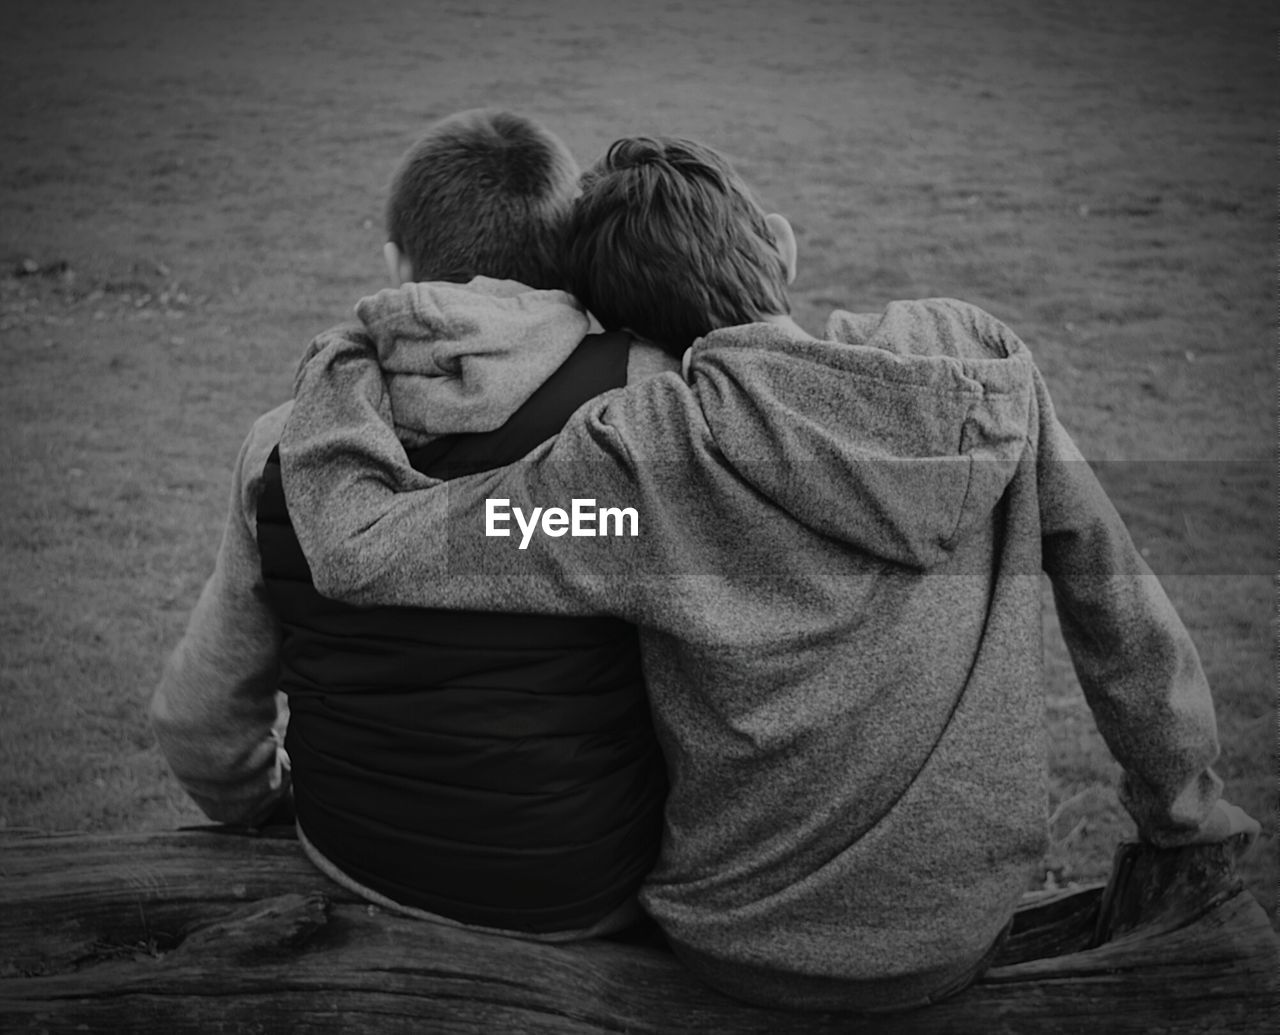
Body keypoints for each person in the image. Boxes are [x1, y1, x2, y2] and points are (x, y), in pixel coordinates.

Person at [278, 136, 1260, 1012]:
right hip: (965, 920)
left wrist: (341, 362)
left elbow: (363, 545)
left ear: (633, 340)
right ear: (775, 245)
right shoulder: (975, 369)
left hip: (737, 940)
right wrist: (1183, 808)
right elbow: (1109, 593)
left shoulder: (640, 460)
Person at [150, 110, 674, 940]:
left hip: (352, 854)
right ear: (567, 257)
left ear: (397, 263)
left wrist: (269, 807)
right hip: (579, 889)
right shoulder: (650, 400)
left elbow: (199, 722)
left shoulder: (284, 439)